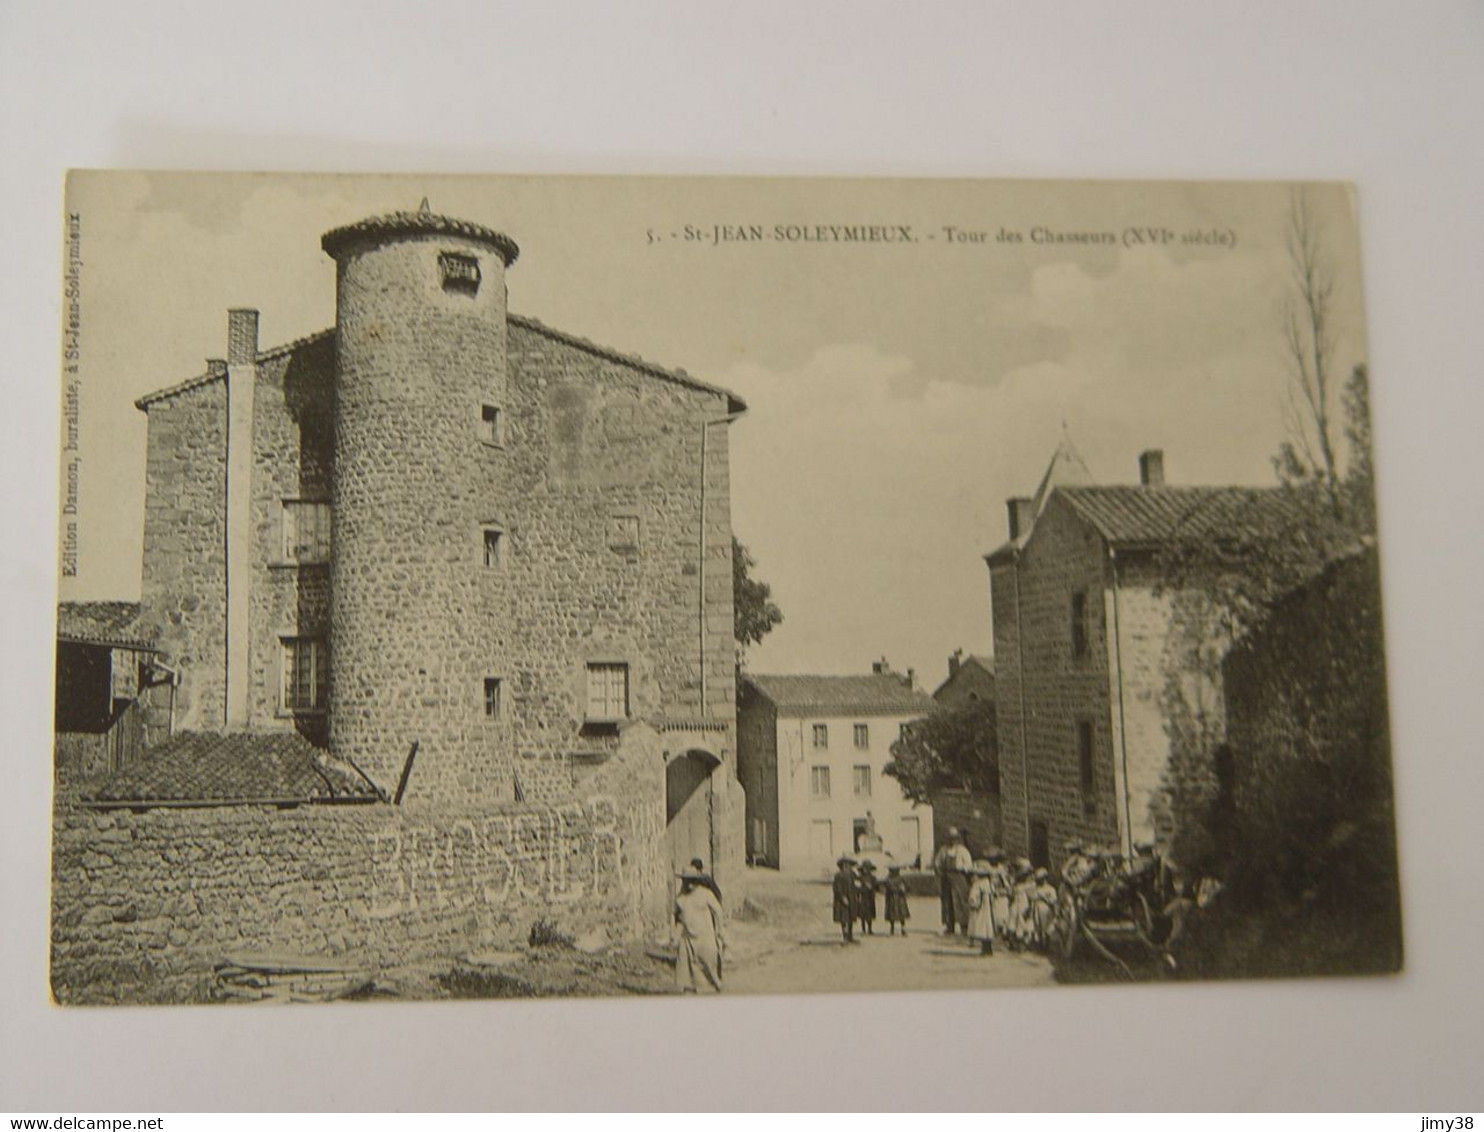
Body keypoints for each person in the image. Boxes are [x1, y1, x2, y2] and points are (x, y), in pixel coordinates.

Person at [673, 865, 725, 993]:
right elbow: (678, 918)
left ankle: (716, 983)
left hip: (704, 937)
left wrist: (720, 929)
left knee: (707, 963)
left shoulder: (706, 894)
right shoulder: (680, 898)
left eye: (692, 880)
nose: (689, 883)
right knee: (684, 966)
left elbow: (718, 911)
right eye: (686, 880)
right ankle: (688, 990)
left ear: (697, 881)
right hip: (687, 938)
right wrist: (674, 935)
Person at [933, 828, 973, 935]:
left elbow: (969, 865)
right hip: (947, 879)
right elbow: (937, 863)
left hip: (959, 879)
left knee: (960, 901)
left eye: (954, 839)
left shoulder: (962, 851)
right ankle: (949, 926)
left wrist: (962, 868)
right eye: (950, 839)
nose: (952, 841)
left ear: (957, 839)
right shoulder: (943, 850)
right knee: (947, 901)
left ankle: (964, 926)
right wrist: (939, 871)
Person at [966, 859, 995, 954]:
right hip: (987, 906)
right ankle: (988, 947)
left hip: (980, 906)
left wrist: (972, 902)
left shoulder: (977, 884)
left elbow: (973, 895)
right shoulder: (988, 883)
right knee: (987, 925)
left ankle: (985, 948)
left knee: (981, 924)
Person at [832, 857, 858, 943]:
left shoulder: (852, 875)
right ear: (843, 865)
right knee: (844, 918)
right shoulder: (838, 875)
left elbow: (856, 884)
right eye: (847, 865)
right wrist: (843, 897)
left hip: (852, 898)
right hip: (842, 900)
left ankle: (850, 936)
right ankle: (845, 937)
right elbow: (837, 888)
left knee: (851, 917)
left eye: (850, 865)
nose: (849, 867)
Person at [883, 864, 910, 935]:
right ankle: (892, 929)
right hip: (893, 897)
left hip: (899, 898)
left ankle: (902, 929)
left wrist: (904, 889)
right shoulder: (888, 878)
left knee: (901, 914)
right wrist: (900, 888)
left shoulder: (901, 878)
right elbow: (889, 888)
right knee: (893, 914)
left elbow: (907, 886)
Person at [856, 860, 879, 935]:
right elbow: (857, 887)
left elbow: (877, 887)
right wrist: (862, 889)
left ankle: (869, 929)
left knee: (869, 914)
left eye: (867, 868)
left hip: (870, 897)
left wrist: (871, 887)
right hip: (862, 897)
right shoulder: (859, 877)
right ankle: (863, 929)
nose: (866, 870)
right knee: (862, 914)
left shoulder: (873, 878)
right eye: (864, 868)